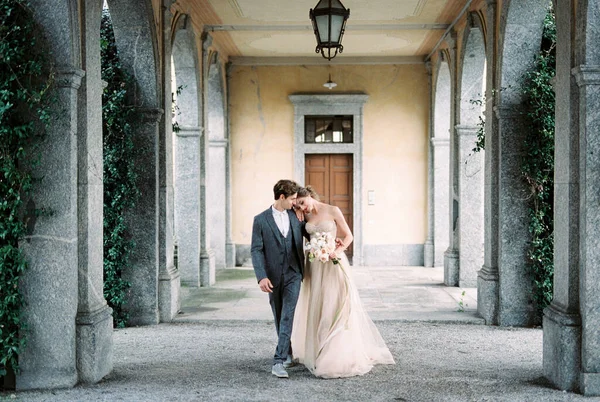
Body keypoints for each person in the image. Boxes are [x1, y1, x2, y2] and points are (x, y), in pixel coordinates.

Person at [291, 185, 395, 378]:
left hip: (333, 262)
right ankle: (319, 349)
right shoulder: (302, 216)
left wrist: (336, 251)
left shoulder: (333, 210)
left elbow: (348, 236)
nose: (303, 208)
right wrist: (298, 214)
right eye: (298, 205)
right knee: (318, 304)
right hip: (314, 265)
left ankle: (335, 352)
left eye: (303, 203)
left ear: (310, 196)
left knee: (335, 303)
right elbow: (305, 236)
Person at [251, 179, 308, 378]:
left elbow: (311, 234)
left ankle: (278, 361)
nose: (295, 202)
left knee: (287, 315)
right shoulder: (260, 220)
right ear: (281, 197)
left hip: (294, 273)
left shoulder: (297, 216)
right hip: (273, 276)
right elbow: (256, 250)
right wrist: (261, 277)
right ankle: (288, 350)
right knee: (279, 314)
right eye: (292, 199)